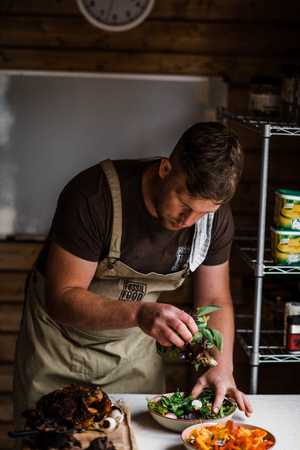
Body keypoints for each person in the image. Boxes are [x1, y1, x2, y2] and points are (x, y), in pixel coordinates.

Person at [13, 122, 252, 429]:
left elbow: (216, 299)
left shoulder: (213, 219)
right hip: (57, 350)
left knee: (134, 439)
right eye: (184, 204)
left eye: (203, 213)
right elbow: (62, 297)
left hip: (132, 354)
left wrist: (222, 367)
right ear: (165, 169)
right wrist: (140, 312)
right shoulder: (93, 197)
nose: (188, 221)